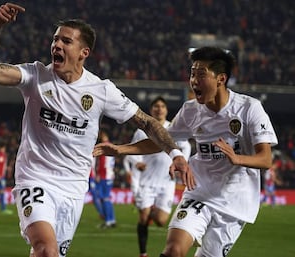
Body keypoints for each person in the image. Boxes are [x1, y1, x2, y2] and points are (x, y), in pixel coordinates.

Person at [0, 3, 194, 257]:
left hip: (74, 188)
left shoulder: (101, 90)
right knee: (46, 249)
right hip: (35, 179)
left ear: (83, 52)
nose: (56, 45)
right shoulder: (35, 76)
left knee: (51, 253)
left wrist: (176, 155)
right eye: (55, 39)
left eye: (66, 41)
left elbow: (146, 122)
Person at [93, 46, 278, 257]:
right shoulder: (191, 110)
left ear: (221, 78)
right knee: (173, 250)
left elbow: (265, 159)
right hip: (198, 192)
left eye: (201, 74)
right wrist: (121, 149)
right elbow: (162, 141)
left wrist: (237, 158)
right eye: (192, 73)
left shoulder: (249, 108)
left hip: (234, 202)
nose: (194, 80)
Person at [128, 97, 191, 257]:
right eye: (156, 106)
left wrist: (182, 161)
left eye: (162, 106)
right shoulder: (142, 130)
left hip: (167, 182)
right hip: (147, 181)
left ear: (166, 110)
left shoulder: (173, 128)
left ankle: (152, 209)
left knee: (161, 220)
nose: (159, 109)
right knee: (143, 217)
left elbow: (185, 146)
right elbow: (132, 150)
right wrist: (137, 163)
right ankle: (143, 253)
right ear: (151, 110)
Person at [94, 130, 117, 228]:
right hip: (109, 175)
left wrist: (99, 174)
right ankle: (112, 220)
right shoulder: (111, 146)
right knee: (106, 198)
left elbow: (103, 163)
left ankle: (108, 221)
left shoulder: (104, 147)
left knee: (104, 198)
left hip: (105, 176)